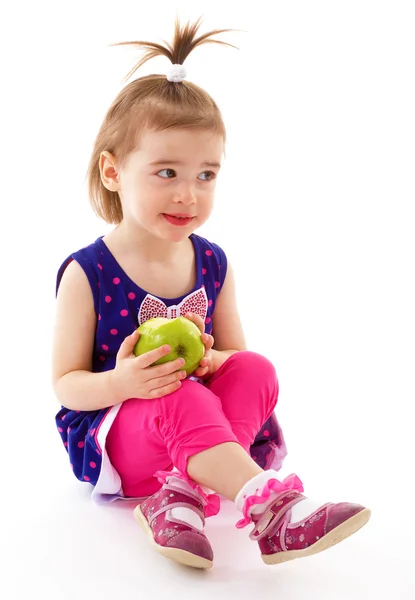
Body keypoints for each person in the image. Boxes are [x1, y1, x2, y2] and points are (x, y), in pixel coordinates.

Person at [51, 17, 371, 570]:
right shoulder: (89, 272)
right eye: (166, 171)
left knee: (257, 369)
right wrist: (124, 381)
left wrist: (212, 361)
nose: (187, 194)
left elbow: (235, 360)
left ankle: (181, 497)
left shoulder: (212, 262)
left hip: (194, 434)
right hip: (125, 440)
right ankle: (272, 509)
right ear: (112, 172)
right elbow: (66, 386)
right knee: (181, 397)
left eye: (206, 175)